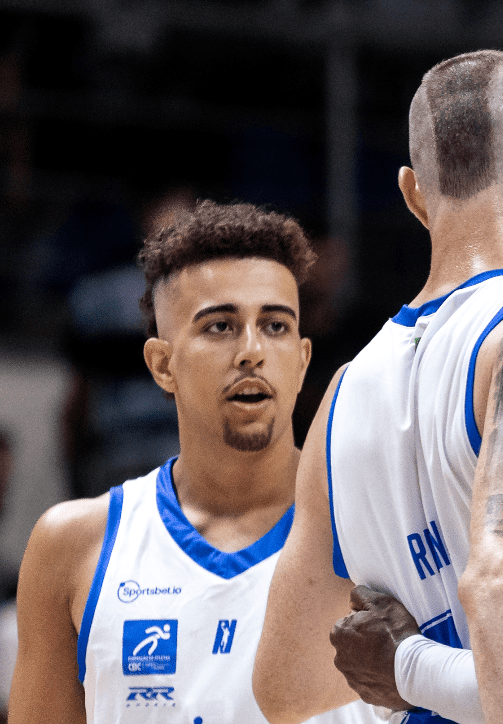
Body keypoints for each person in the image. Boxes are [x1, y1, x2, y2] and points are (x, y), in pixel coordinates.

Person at [252, 50, 503, 724]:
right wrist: (416, 668)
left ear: (414, 195)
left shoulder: (340, 396)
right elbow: (502, 585)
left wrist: (409, 674)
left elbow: (286, 685)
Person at [7, 201, 380, 724]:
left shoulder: (384, 528)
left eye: (274, 325)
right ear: (162, 364)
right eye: (220, 326)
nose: (251, 350)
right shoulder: (72, 547)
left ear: (301, 359)